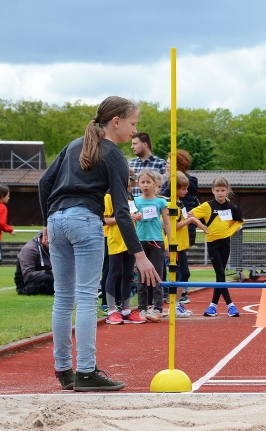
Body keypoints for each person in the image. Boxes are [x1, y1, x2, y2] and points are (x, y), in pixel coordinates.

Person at [39, 96, 159, 392]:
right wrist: (140, 256)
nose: (134, 131)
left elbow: (44, 182)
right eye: (133, 124)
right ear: (116, 122)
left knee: (63, 298)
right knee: (86, 297)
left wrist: (46, 222)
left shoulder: (73, 145)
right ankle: (87, 371)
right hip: (84, 221)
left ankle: (64, 370)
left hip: (56, 220)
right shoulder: (115, 156)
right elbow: (121, 210)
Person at [189, 177, 244, 318]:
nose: (220, 193)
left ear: (227, 191)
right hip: (213, 244)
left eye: (223, 190)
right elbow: (189, 215)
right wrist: (200, 225)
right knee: (220, 274)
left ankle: (212, 306)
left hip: (225, 243)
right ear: (213, 191)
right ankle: (230, 305)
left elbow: (240, 222)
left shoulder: (232, 207)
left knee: (220, 275)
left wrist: (231, 230)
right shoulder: (208, 206)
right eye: (217, 190)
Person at [103, 173, 145, 324]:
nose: (130, 183)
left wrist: (137, 216)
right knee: (113, 274)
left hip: (130, 239)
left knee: (128, 274)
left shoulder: (129, 195)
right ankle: (111, 311)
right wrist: (125, 218)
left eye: (131, 181)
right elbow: (105, 219)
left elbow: (131, 214)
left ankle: (126, 310)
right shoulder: (108, 195)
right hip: (115, 239)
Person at [132, 169, 172, 323]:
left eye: (148, 182)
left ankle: (157, 309)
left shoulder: (161, 202)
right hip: (140, 242)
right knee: (141, 277)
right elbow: (129, 220)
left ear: (155, 183)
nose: (146, 185)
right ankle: (142, 309)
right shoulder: (135, 201)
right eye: (142, 182)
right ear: (138, 184)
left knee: (156, 275)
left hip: (156, 241)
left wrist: (170, 243)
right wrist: (134, 217)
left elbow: (167, 223)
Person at [172, 171, 207, 317]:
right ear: (175, 189)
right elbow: (174, 226)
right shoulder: (172, 204)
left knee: (184, 274)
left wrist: (200, 223)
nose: (186, 191)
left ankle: (177, 303)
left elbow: (187, 218)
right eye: (183, 189)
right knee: (182, 274)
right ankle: (173, 304)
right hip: (174, 246)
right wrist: (191, 221)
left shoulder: (181, 204)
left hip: (181, 244)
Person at [15, 231, 54, 295]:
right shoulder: (30, 249)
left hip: (46, 277)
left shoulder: (54, 249)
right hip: (27, 284)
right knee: (48, 280)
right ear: (44, 237)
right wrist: (49, 272)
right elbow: (28, 274)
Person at [128, 132, 166, 197]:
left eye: (135, 144)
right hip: (133, 204)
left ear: (145, 144)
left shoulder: (160, 163)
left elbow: (164, 186)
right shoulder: (131, 164)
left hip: (153, 204)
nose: (132, 147)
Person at [0, 185, 15, 262]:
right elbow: (1, 223)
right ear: (2, 196)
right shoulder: (2, 207)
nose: (8, 198)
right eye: (8, 196)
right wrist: (10, 229)